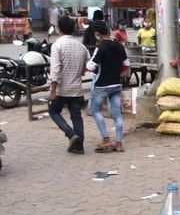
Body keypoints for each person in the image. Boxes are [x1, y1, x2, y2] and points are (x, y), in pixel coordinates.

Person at [48, 16, 90, 155]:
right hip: (76, 88)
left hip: (62, 89)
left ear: (59, 29)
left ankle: (71, 135)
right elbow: (85, 68)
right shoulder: (81, 46)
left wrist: (53, 90)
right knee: (76, 116)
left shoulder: (57, 45)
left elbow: (55, 69)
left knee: (53, 111)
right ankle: (79, 146)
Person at [87, 22, 129, 153]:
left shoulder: (100, 47)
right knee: (117, 114)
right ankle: (119, 142)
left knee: (95, 110)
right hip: (116, 84)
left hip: (102, 85)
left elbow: (91, 66)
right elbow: (126, 64)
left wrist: (88, 62)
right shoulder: (119, 45)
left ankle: (106, 139)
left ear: (97, 34)